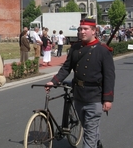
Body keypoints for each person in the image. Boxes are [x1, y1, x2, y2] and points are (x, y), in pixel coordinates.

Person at [45, 18, 115, 148]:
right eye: (80, 29)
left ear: (94, 31)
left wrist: (108, 99)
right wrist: (53, 81)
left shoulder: (103, 51)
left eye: (85, 29)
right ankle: (97, 144)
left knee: (89, 133)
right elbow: (66, 68)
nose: (82, 32)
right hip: (79, 95)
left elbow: (109, 76)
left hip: (95, 97)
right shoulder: (75, 48)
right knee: (88, 128)